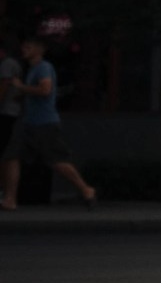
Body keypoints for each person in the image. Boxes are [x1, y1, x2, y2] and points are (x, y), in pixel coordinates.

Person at [2, 39, 99, 211]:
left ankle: (86, 189)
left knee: (57, 161)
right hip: (28, 122)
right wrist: (23, 96)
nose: (23, 49)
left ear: (40, 50)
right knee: (11, 157)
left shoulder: (43, 67)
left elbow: (45, 90)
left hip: (44, 123)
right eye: (23, 46)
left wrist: (21, 88)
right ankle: (10, 199)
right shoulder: (32, 69)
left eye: (28, 47)